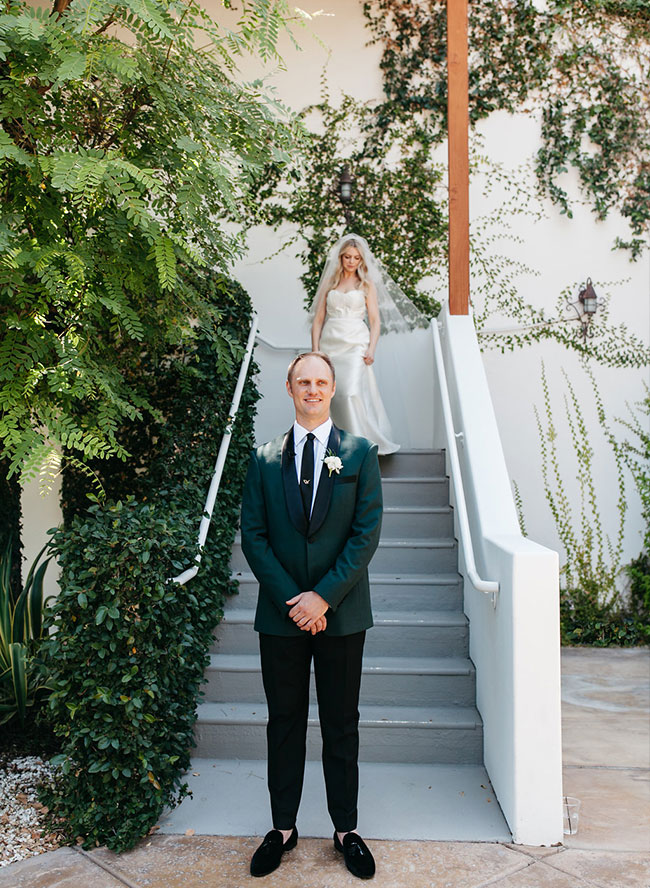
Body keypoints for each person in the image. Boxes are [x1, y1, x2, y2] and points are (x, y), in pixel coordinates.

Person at [241, 351, 382, 880]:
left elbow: (365, 535)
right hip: (281, 618)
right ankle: (282, 828)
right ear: (290, 387)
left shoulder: (359, 453)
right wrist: (293, 601)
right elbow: (253, 536)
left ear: (333, 387)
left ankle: (346, 829)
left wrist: (322, 597)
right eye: (304, 381)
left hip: (342, 615)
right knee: (284, 722)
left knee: (342, 724)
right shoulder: (263, 458)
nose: (313, 389)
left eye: (321, 381)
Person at [311, 234, 426, 455]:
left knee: (350, 392)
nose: (351, 261)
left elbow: (375, 320)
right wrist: (316, 351)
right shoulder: (330, 282)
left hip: (356, 343)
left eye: (356, 258)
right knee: (332, 395)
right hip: (330, 342)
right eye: (347, 257)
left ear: (361, 260)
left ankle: (359, 445)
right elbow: (318, 320)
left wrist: (371, 348)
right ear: (341, 257)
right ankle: (337, 444)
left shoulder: (366, 284)